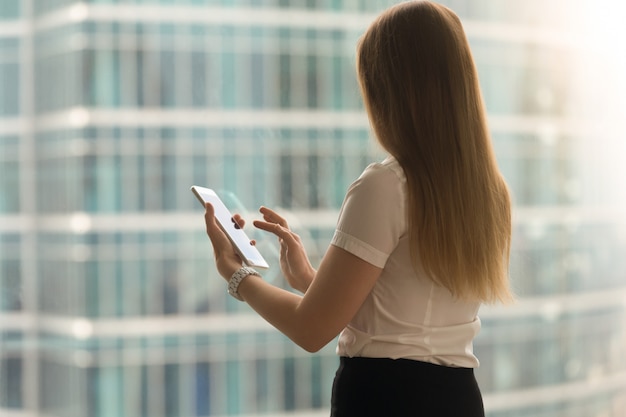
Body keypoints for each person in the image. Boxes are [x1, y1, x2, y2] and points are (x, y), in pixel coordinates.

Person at [202, 1, 513, 415]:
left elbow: (312, 330)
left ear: (390, 92)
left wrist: (235, 274)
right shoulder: (490, 193)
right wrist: (310, 280)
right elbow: (408, 315)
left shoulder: (385, 185)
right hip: (456, 398)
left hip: (385, 398)